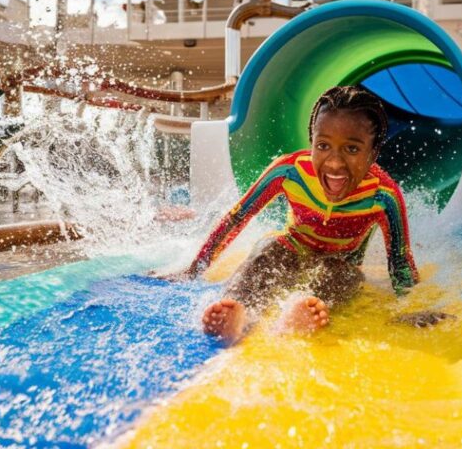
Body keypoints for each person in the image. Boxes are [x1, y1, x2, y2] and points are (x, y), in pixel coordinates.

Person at [182, 85, 446, 345]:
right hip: (291, 247)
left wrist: (411, 306)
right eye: (323, 146)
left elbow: (399, 260)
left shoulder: (383, 194)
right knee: (265, 255)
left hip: (341, 260)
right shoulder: (289, 171)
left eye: (352, 149)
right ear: (311, 142)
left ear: (373, 152)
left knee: (342, 276)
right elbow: (236, 219)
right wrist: (193, 270)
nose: (334, 163)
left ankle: (300, 314)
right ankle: (238, 314)